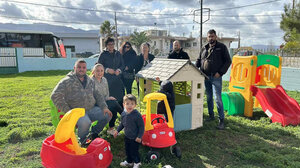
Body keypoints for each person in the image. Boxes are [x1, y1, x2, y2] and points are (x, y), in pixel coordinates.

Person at [51, 59, 112, 145]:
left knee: (108, 115)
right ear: (74, 68)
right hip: (77, 112)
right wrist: (69, 111)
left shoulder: (90, 80)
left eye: (83, 67)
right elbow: (55, 95)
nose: (81, 69)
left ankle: (94, 133)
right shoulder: (67, 81)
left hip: (91, 109)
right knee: (85, 122)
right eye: (79, 67)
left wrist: (104, 107)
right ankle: (84, 141)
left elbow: (98, 95)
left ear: (86, 69)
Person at [195, 29, 232, 130]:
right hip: (206, 76)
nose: (211, 38)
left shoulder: (222, 47)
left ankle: (221, 120)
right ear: (207, 38)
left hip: (216, 77)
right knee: (209, 97)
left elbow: (228, 61)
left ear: (215, 37)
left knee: (218, 99)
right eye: (209, 37)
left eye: (212, 36)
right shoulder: (204, 48)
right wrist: (194, 69)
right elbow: (198, 60)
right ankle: (211, 116)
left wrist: (220, 72)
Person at [90, 63, 123, 135]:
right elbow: (93, 97)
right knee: (113, 103)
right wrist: (107, 99)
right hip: (95, 104)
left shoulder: (104, 79)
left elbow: (107, 93)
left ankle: (111, 129)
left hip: (105, 101)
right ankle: (125, 116)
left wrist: (108, 98)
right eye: (97, 71)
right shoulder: (91, 82)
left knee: (113, 106)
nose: (100, 73)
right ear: (93, 72)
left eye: (101, 71)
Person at [114, 94, 144, 168]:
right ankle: (129, 161)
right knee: (127, 150)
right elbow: (122, 124)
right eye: (127, 104)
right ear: (124, 104)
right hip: (127, 136)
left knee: (134, 150)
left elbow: (141, 127)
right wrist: (117, 131)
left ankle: (137, 162)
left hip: (135, 137)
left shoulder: (137, 115)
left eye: (132, 104)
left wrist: (139, 136)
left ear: (135, 105)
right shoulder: (123, 114)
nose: (129, 106)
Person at [98, 37, 125, 107]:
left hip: (117, 80)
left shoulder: (118, 53)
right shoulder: (103, 54)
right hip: (107, 81)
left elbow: (123, 65)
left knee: (120, 98)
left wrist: (119, 70)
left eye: (112, 44)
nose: (111, 46)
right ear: (106, 45)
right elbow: (98, 66)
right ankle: (111, 115)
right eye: (109, 44)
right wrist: (107, 70)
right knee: (110, 99)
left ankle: (122, 114)